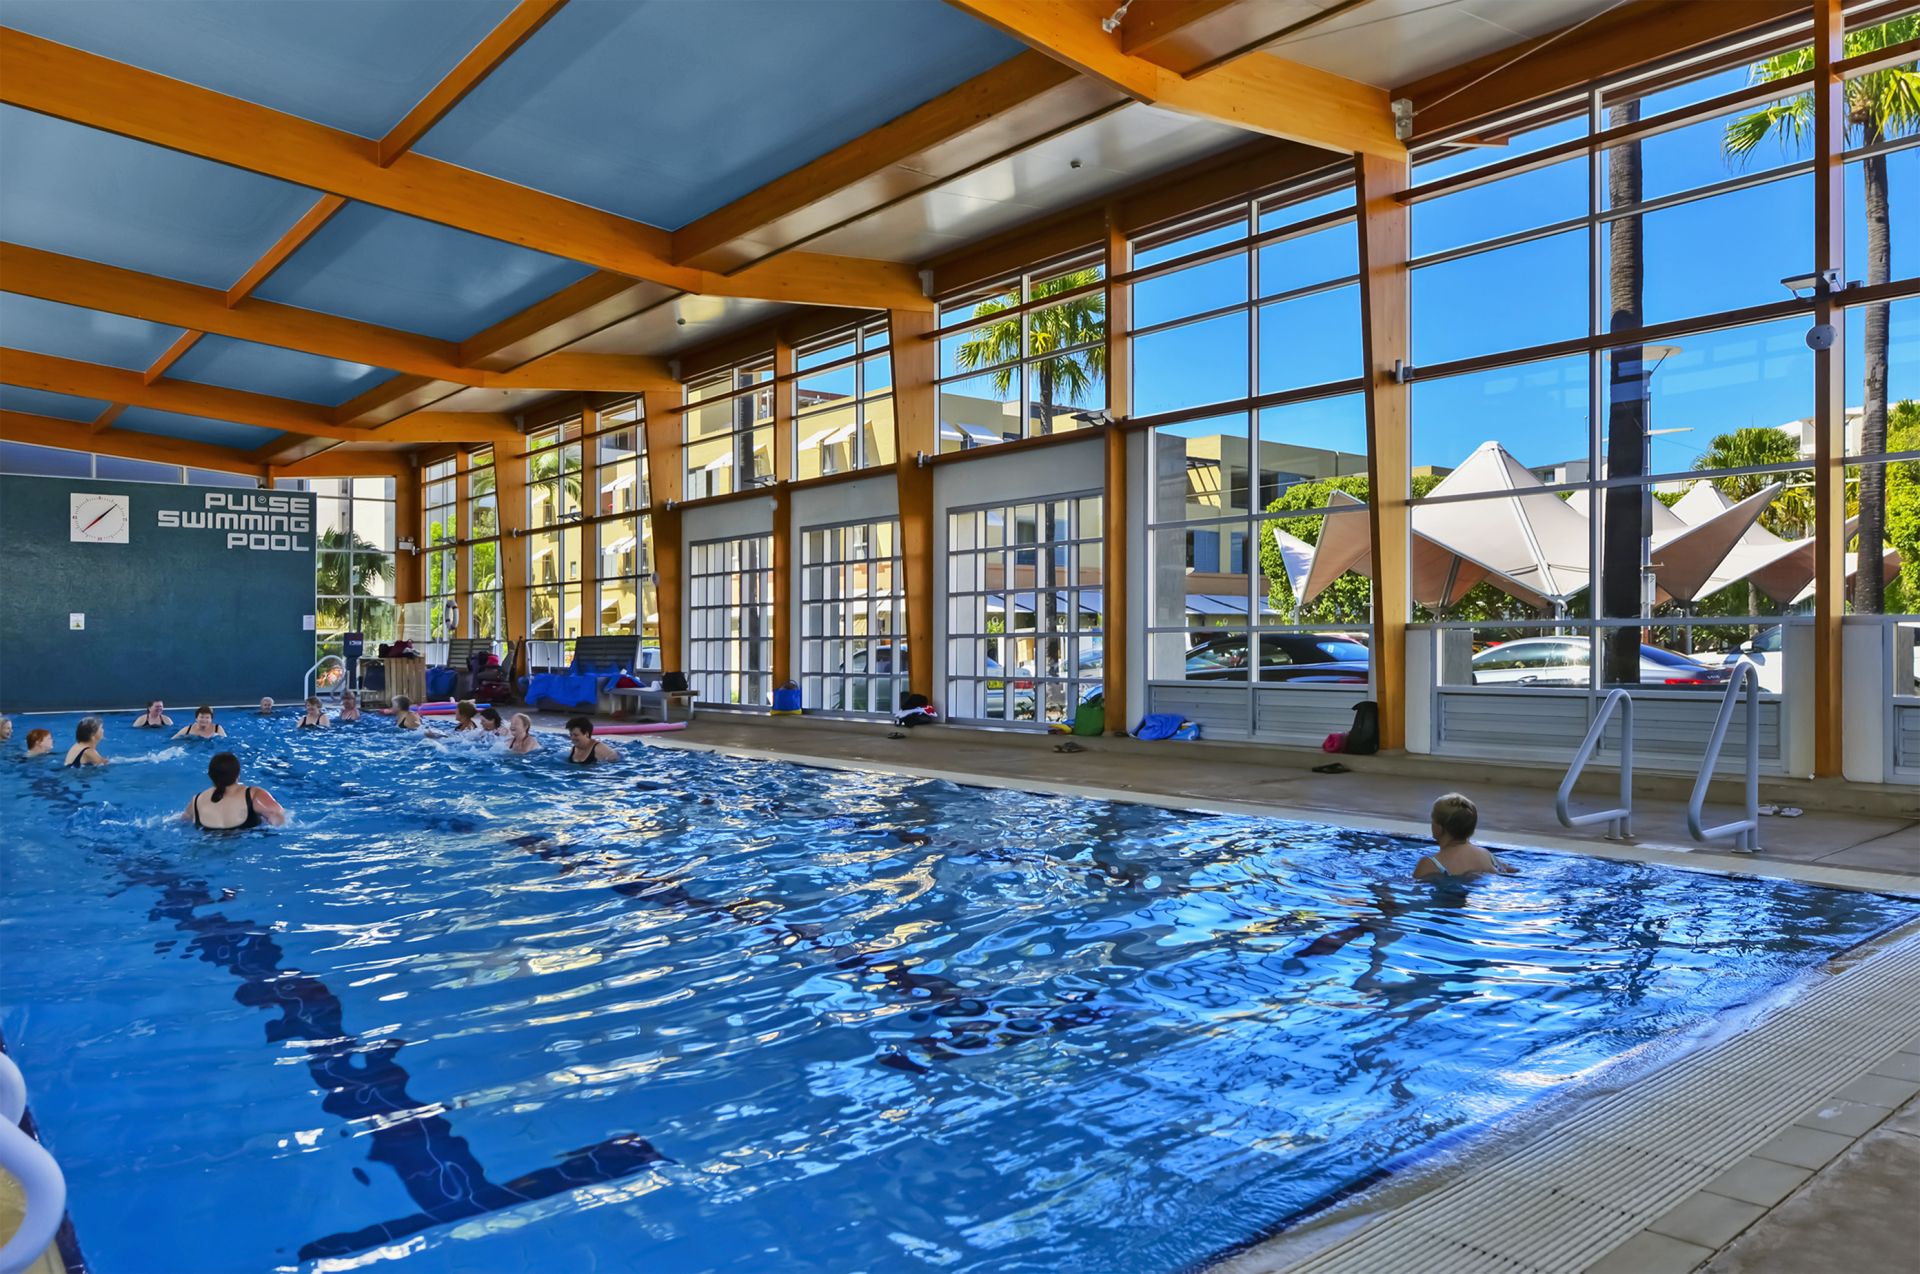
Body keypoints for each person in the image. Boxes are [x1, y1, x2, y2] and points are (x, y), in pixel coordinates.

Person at [1413, 793, 1515, 880]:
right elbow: (1512, 870)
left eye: (1433, 819)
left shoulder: (1430, 864)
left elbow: (1415, 889)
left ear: (1439, 828)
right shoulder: (1487, 855)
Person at [181, 751, 286, 830]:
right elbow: (278, 817)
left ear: (210, 776)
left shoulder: (196, 801)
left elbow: (183, 821)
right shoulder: (253, 794)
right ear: (238, 774)